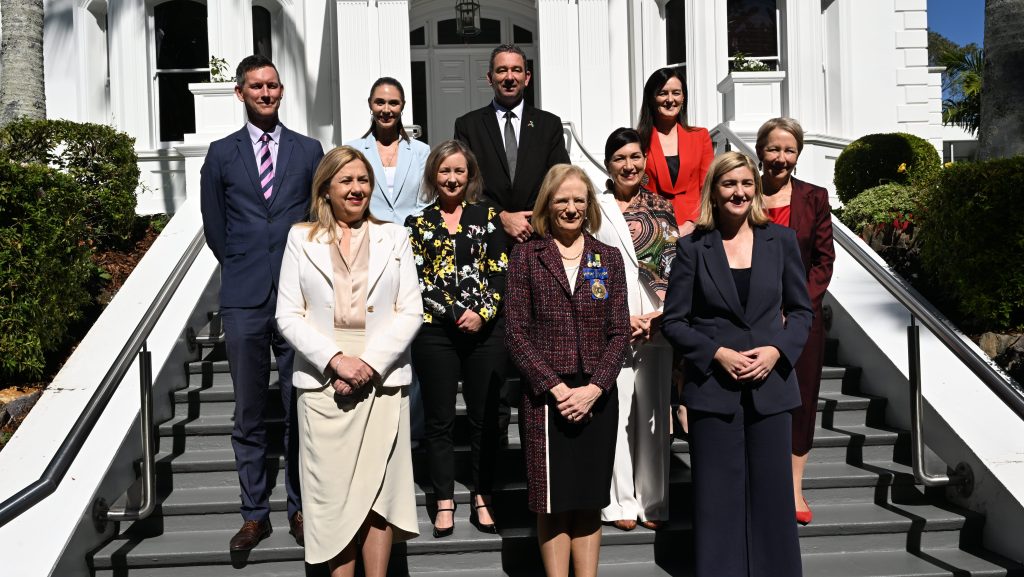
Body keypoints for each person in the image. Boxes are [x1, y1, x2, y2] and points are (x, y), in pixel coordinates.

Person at [661, 152, 813, 577]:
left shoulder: (780, 241)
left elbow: (802, 312)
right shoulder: (692, 248)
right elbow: (674, 321)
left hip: (771, 388)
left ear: (755, 188)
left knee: (773, 494)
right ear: (714, 189)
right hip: (714, 389)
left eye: (746, 183)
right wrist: (716, 354)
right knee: (717, 496)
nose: (739, 192)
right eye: (729, 184)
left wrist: (777, 351)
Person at [275, 146, 422, 576]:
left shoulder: (394, 236)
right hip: (322, 386)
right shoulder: (300, 238)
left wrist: (369, 365)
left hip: (384, 379)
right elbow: (287, 313)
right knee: (332, 499)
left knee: (381, 495)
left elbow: (409, 310)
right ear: (326, 187)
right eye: (347, 180)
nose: (357, 189)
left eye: (363, 180)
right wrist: (336, 361)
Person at [199, 54, 324, 551]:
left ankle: (299, 508)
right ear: (241, 93)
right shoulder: (221, 153)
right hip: (245, 299)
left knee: (300, 410)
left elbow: (319, 218)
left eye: (273, 86)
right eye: (256, 87)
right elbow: (215, 227)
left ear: (281, 90)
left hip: (300, 300)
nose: (266, 93)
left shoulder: (309, 149)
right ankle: (254, 514)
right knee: (249, 412)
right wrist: (244, 263)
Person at [505, 164, 630, 577]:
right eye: (562, 200)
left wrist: (594, 389)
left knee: (589, 498)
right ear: (547, 204)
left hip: (597, 394)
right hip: (547, 399)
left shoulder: (607, 258)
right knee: (552, 501)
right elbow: (516, 333)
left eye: (579, 199)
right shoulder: (526, 256)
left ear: (589, 205)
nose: (571, 208)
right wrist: (558, 389)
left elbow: (619, 332)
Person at [453, 43, 572, 445]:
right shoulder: (469, 124)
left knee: (539, 349)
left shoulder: (549, 124)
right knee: (494, 356)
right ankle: (493, 453)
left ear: (527, 76)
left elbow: (559, 180)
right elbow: (463, 184)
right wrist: (500, 218)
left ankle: (539, 445)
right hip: (489, 253)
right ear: (490, 77)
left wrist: (535, 218)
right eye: (501, 70)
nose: (509, 77)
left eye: (516, 70)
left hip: (540, 249)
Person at [405, 140, 509, 538]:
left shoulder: (489, 217)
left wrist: (481, 313)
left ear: (470, 176)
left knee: (485, 420)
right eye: (444, 171)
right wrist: (454, 312)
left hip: (484, 332)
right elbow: (418, 280)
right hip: (436, 333)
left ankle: (483, 494)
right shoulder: (417, 224)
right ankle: (444, 498)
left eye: (459, 171)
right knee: (440, 420)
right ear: (434, 175)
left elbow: (499, 272)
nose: (452, 178)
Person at [592, 128, 678, 532]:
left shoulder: (662, 206)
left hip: (658, 323)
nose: (630, 165)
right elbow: (589, 265)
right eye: (620, 158)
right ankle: (620, 502)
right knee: (620, 412)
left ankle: (654, 502)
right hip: (615, 322)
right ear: (608, 164)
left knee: (655, 414)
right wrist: (618, 317)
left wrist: (662, 316)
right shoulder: (596, 206)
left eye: (636, 157)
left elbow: (677, 265)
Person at [755, 118, 835, 525]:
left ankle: (793, 487)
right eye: (773, 149)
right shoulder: (742, 192)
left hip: (801, 322)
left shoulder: (814, 198)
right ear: (759, 151)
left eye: (788, 150)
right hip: (751, 320)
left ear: (798, 155)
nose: (780, 158)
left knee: (801, 402)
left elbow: (823, 261)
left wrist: (797, 307)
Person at [347, 76, 432, 448]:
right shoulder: (352, 150)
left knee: (410, 341)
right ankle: (374, 430)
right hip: (369, 255)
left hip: (413, 257)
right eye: (380, 102)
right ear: (370, 104)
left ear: (402, 107)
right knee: (375, 339)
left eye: (393, 103)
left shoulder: (423, 152)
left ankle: (412, 435)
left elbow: (429, 200)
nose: (386, 109)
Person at [636, 67, 713, 236]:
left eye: (676, 93)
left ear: (683, 97)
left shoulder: (700, 137)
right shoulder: (638, 141)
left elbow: (707, 187)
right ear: (651, 98)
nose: (670, 99)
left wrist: (692, 223)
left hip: (695, 229)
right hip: (653, 230)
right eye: (663, 93)